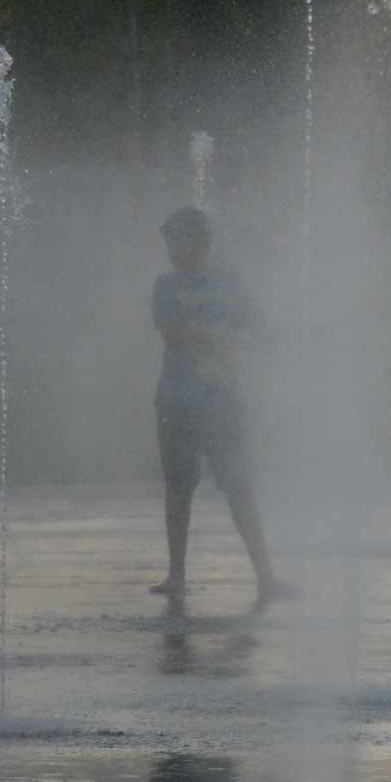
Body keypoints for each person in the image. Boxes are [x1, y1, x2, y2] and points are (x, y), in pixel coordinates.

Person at [148, 206, 289, 605]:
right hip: (176, 400)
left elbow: (260, 328)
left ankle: (266, 576)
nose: (172, 251)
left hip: (222, 401)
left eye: (177, 241)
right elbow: (169, 330)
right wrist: (212, 337)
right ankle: (176, 574)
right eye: (169, 243)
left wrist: (268, 340)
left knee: (239, 486)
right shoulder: (165, 285)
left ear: (200, 242)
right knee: (178, 487)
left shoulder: (231, 285)